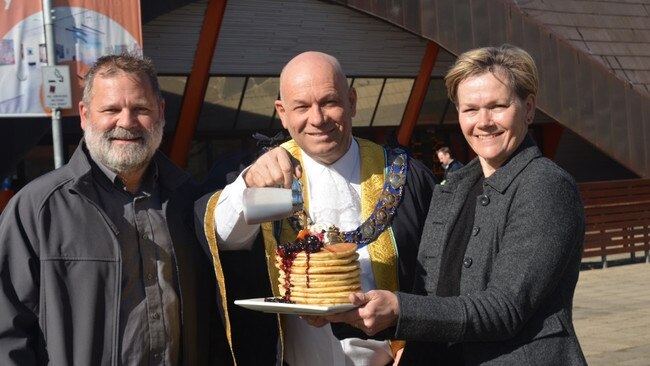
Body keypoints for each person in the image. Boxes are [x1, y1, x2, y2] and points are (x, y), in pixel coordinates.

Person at [325, 44, 588, 365]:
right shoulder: (453, 187)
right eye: (470, 109)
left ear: (529, 108)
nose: (484, 121)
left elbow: (504, 309)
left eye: (498, 106)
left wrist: (399, 309)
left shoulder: (545, 185)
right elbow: (430, 295)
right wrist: (359, 317)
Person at [196, 51, 436, 365]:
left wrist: (419, 337)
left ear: (351, 101)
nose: (318, 118)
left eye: (329, 102)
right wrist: (248, 184)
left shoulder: (405, 176)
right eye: (301, 107)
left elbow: (443, 274)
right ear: (282, 113)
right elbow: (224, 239)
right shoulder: (267, 177)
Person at [0, 54, 230, 365]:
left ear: (161, 112)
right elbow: (7, 334)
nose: (126, 122)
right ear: (84, 115)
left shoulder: (190, 202)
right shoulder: (37, 210)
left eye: (141, 109)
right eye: (111, 109)